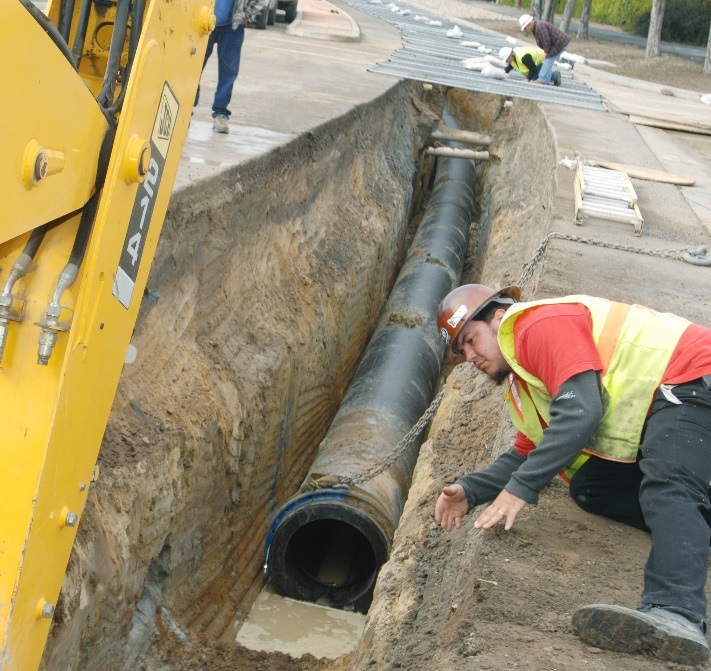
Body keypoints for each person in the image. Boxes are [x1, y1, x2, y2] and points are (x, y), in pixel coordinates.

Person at [433, 284, 711, 665]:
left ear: (498, 317)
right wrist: (471, 489)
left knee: (671, 485)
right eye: (461, 351)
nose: (470, 356)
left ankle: (677, 611)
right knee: (591, 488)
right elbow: (527, 451)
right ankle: (696, 527)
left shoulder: (536, 326)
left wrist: (522, 490)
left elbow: (580, 411)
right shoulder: (523, 381)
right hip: (661, 404)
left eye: (470, 339)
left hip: (692, 374)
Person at [195, 0, 264, 134]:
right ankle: (187, 109)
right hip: (202, 21)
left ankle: (221, 114)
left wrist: (247, 15)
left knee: (228, 73)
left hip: (232, 28)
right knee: (193, 67)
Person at [518, 13, 570, 86]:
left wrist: (546, 51)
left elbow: (546, 40)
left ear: (529, 24)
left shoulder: (540, 26)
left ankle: (542, 80)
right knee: (548, 60)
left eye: (525, 28)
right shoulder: (536, 27)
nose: (526, 30)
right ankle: (550, 77)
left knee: (548, 60)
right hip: (557, 43)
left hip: (560, 43)